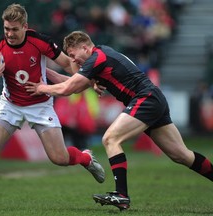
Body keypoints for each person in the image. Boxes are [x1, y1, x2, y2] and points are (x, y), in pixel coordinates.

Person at [0, 4, 105, 211]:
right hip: (11, 105)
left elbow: (68, 64)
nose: (9, 34)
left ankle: (85, 157)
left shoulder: (40, 41)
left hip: (41, 105)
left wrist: (88, 78)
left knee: (59, 158)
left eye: (14, 29)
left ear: (25, 26)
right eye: (6, 28)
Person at [25, 30, 213, 211]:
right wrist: (44, 71)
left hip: (145, 98)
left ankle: (121, 195)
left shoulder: (97, 58)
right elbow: (71, 84)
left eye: (73, 55)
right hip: (153, 98)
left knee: (110, 139)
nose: (73, 60)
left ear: (85, 47)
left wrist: (42, 88)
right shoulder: (99, 55)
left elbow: (67, 88)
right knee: (181, 155)